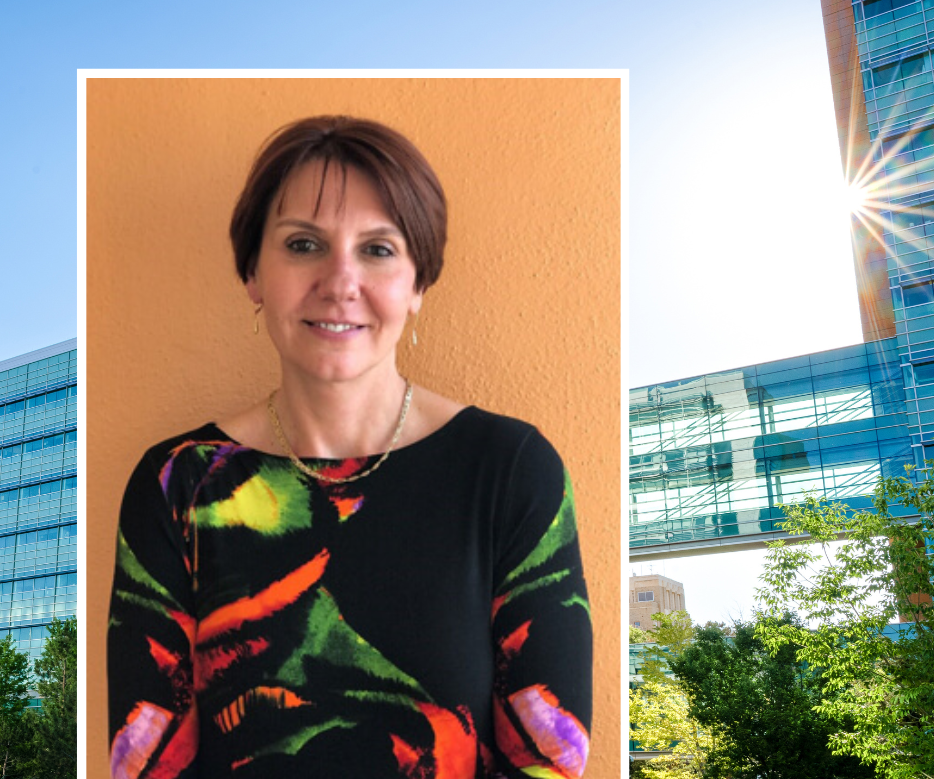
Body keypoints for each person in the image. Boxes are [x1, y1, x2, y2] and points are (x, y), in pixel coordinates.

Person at [106, 115, 592, 778]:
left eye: (378, 249)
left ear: (419, 285)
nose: (340, 281)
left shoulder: (510, 472)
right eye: (303, 244)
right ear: (253, 274)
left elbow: (550, 758)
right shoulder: (175, 485)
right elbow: (147, 760)